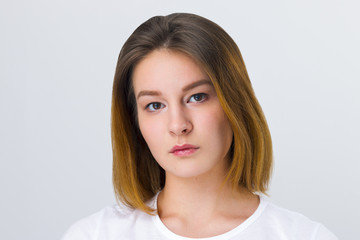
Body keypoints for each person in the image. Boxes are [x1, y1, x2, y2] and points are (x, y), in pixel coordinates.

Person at [61, 13, 338, 240]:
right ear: (135, 123)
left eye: (197, 97)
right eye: (155, 105)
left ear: (234, 103)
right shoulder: (94, 235)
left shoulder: (304, 236)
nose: (178, 125)